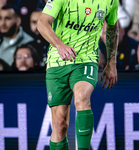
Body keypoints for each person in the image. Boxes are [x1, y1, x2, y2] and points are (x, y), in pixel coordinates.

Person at [37, 0, 119, 150]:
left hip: (86, 60)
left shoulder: (110, 1)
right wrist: (60, 45)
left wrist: (111, 63)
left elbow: (112, 28)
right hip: (57, 61)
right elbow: (42, 23)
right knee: (60, 123)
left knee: (82, 97)